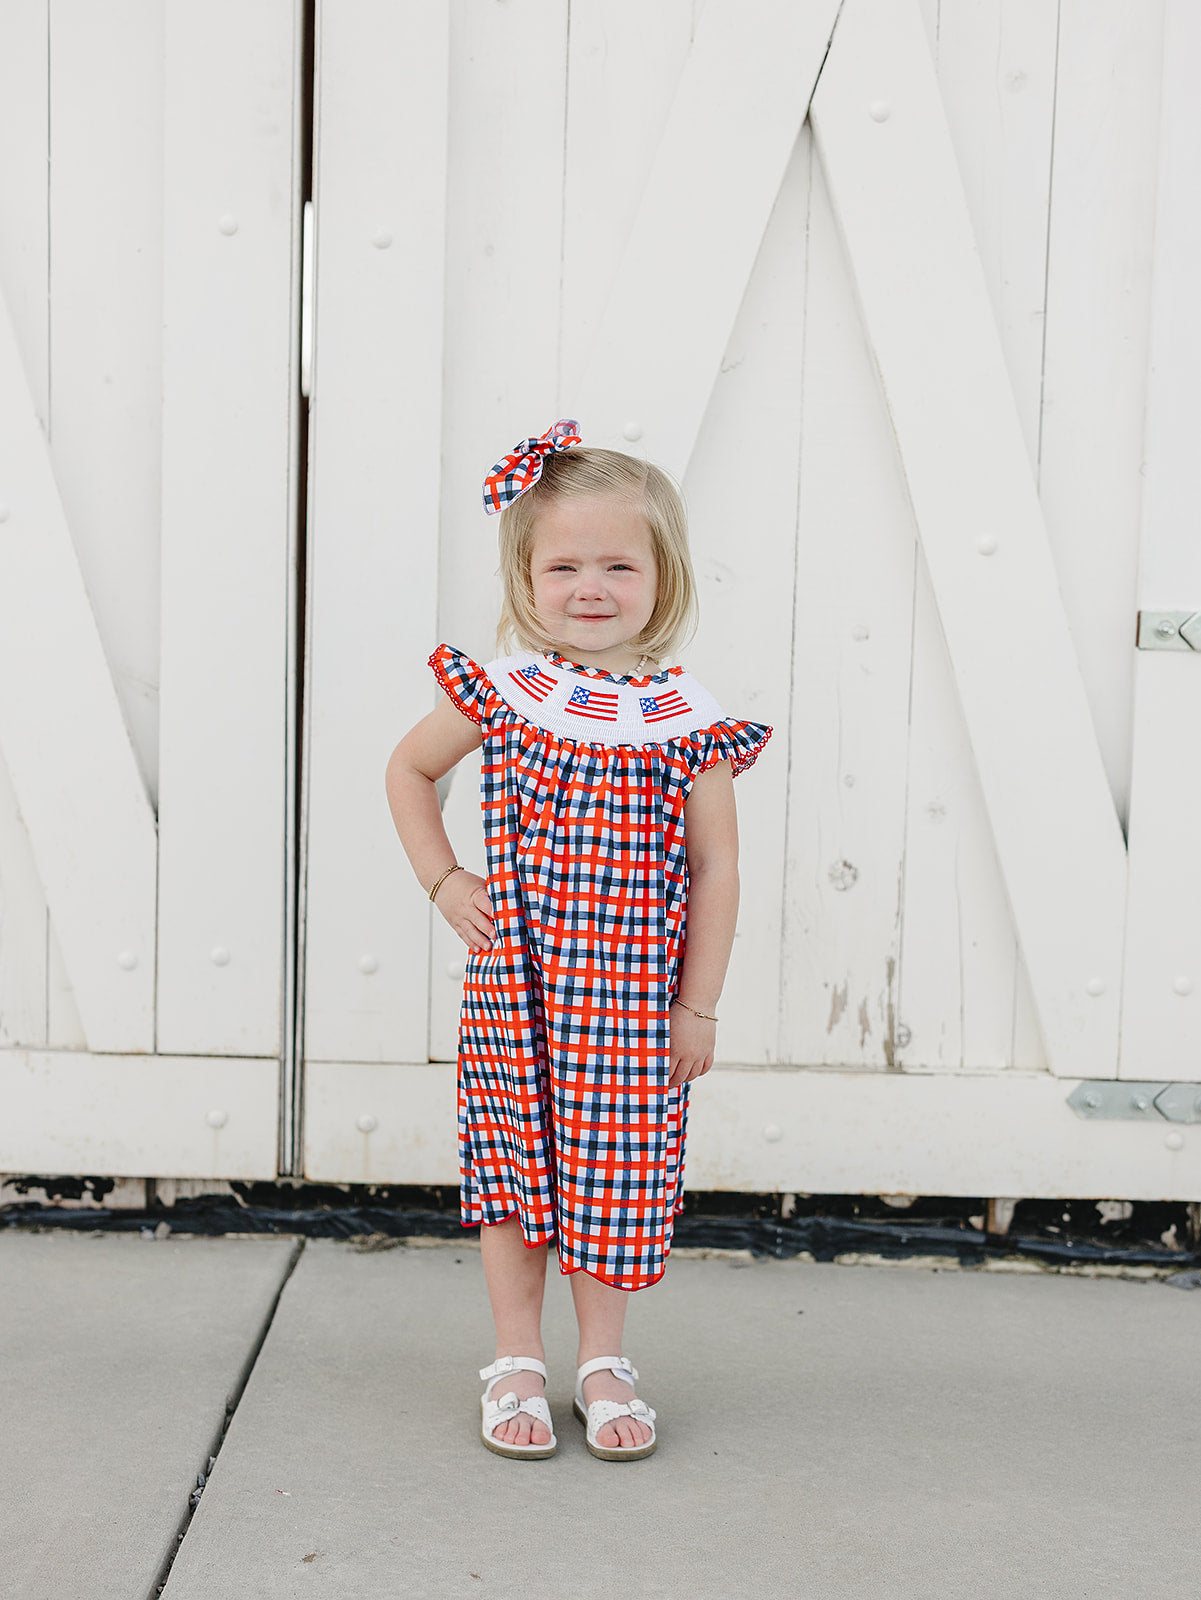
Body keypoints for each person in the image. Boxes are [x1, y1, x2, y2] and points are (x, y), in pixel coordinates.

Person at [384, 419, 771, 1462]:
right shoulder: (507, 694)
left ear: (662, 576)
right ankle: (516, 1354)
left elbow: (715, 869)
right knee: (516, 1173)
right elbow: (408, 773)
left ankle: (603, 1359)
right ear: (526, 574)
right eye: (563, 564)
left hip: (635, 1004)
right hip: (517, 992)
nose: (590, 585)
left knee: (617, 1175)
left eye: (617, 563)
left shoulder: (684, 721)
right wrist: (445, 878)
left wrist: (698, 1005)